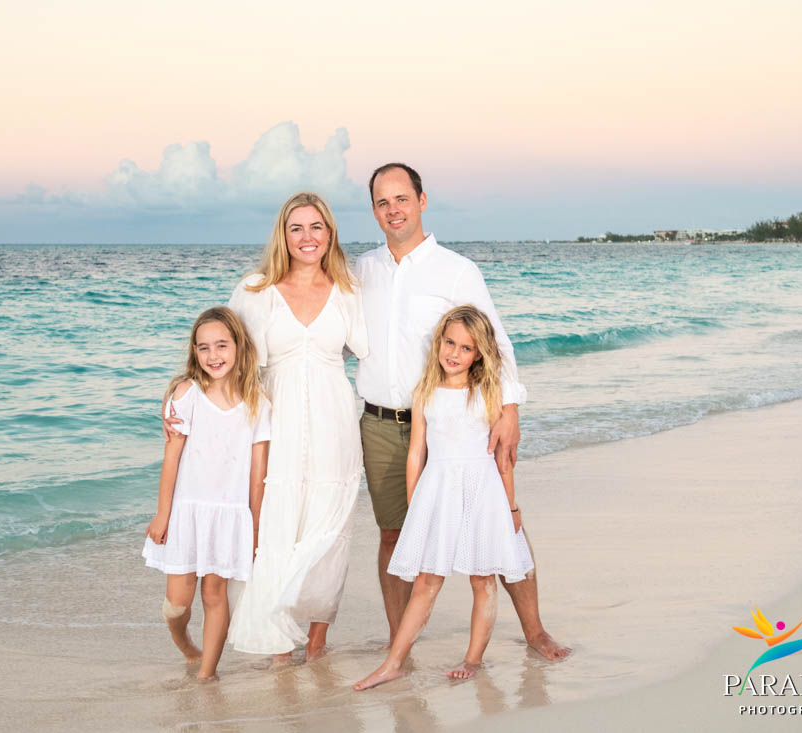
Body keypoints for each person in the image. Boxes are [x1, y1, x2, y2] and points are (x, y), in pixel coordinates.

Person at [355, 163, 570, 660]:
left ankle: (535, 631)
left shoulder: (456, 269)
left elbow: (497, 342)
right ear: (373, 210)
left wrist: (509, 408)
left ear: (422, 201)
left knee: (497, 529)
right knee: (395, 532)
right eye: (383, 202)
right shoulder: (362, 270)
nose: (394, 210)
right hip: (385, 425)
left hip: (459, 423)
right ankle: (399, 643)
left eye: (402, 199)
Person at [354, 306, 535, 690]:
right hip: (438, 490)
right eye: (449, 342)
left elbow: (502, 458)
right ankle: (394, 662)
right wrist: (414, 503)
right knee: (426, 580)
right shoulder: (425, 392)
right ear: (439, 342)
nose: (454, 352)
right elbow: (416, 451)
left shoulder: (490, 393)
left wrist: (512, 505)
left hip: (483, 491)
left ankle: (473, 659)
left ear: (479, 354)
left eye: (466, 348)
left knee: (483, 578)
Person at [223, 191, 368, 660]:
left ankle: (319, 640)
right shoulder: (256, 289)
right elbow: (224, 356)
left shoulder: (348, 290)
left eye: (316, 227)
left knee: (330, 523)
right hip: (275, 417)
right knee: (278, 524)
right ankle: (279, 639)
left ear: (330, 233)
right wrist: (184, 398)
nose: (308, 237)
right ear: (283, 235)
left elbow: (368, 349)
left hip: (335, 418)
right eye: (297, 228)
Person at [143, 306, 271, 681]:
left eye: (221, 345)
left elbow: (257, 472)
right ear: (194, 352)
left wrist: (256, 527)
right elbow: (172, 458)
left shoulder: (257, 403)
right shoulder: (187, 394)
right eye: (204, 348)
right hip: (186, 512)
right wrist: (162, 513)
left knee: (215, 594)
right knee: (177, 603)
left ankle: (207, 675)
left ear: (238, 346)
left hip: (229, 514)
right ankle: (183, 641)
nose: (214, 356)